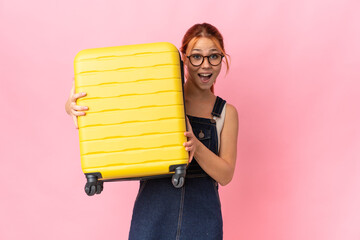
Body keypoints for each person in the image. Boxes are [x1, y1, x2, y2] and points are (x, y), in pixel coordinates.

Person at [65, 23, 238, 240]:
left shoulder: (225, 113)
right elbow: (113, 99)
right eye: (196, 56)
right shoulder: (156, 97)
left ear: (222, 59)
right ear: (183, 58)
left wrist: (196, 145)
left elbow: (225, 175)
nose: (205, 65)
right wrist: (70, 105)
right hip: (152, 216)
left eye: (214, 56)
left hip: (202, 220)